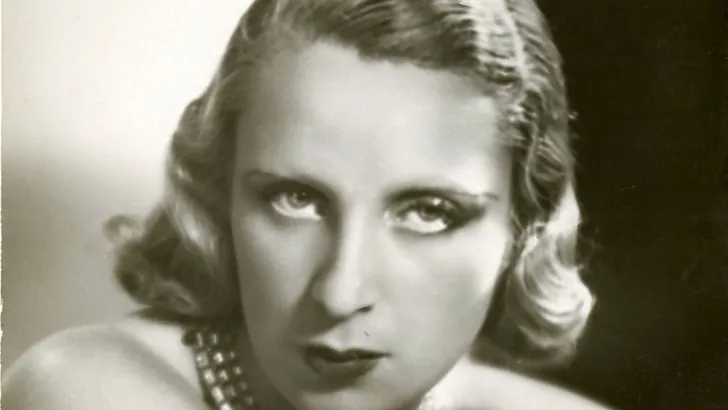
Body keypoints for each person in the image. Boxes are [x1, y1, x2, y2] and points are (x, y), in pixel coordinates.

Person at [3, 0, 614, 409]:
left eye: (428, 212)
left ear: (525, 226)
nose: (340, 294)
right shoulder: (84, 390)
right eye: (295, 199)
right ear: (221, 195)